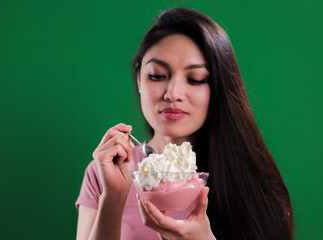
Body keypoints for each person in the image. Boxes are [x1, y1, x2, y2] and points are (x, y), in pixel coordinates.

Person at [76, 7, 294, 240]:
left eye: (195, 79)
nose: (173, 93)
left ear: (219, 87)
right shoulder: (107, 171)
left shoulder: (249, 181)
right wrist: (113, 197)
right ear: (139, 77)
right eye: (158, 75)